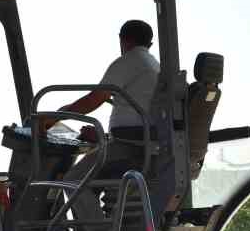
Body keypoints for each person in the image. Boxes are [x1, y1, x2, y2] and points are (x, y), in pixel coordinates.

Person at [54, 19, 174, 218]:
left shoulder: (129, 61)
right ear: (149, 44)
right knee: (88, 184)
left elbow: (96, 98)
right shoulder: (153, 64)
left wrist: (56, 116)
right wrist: (105, 137)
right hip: (138, 143)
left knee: (74, 180)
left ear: (123, 40)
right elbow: (136, 114)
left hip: (129, 148)